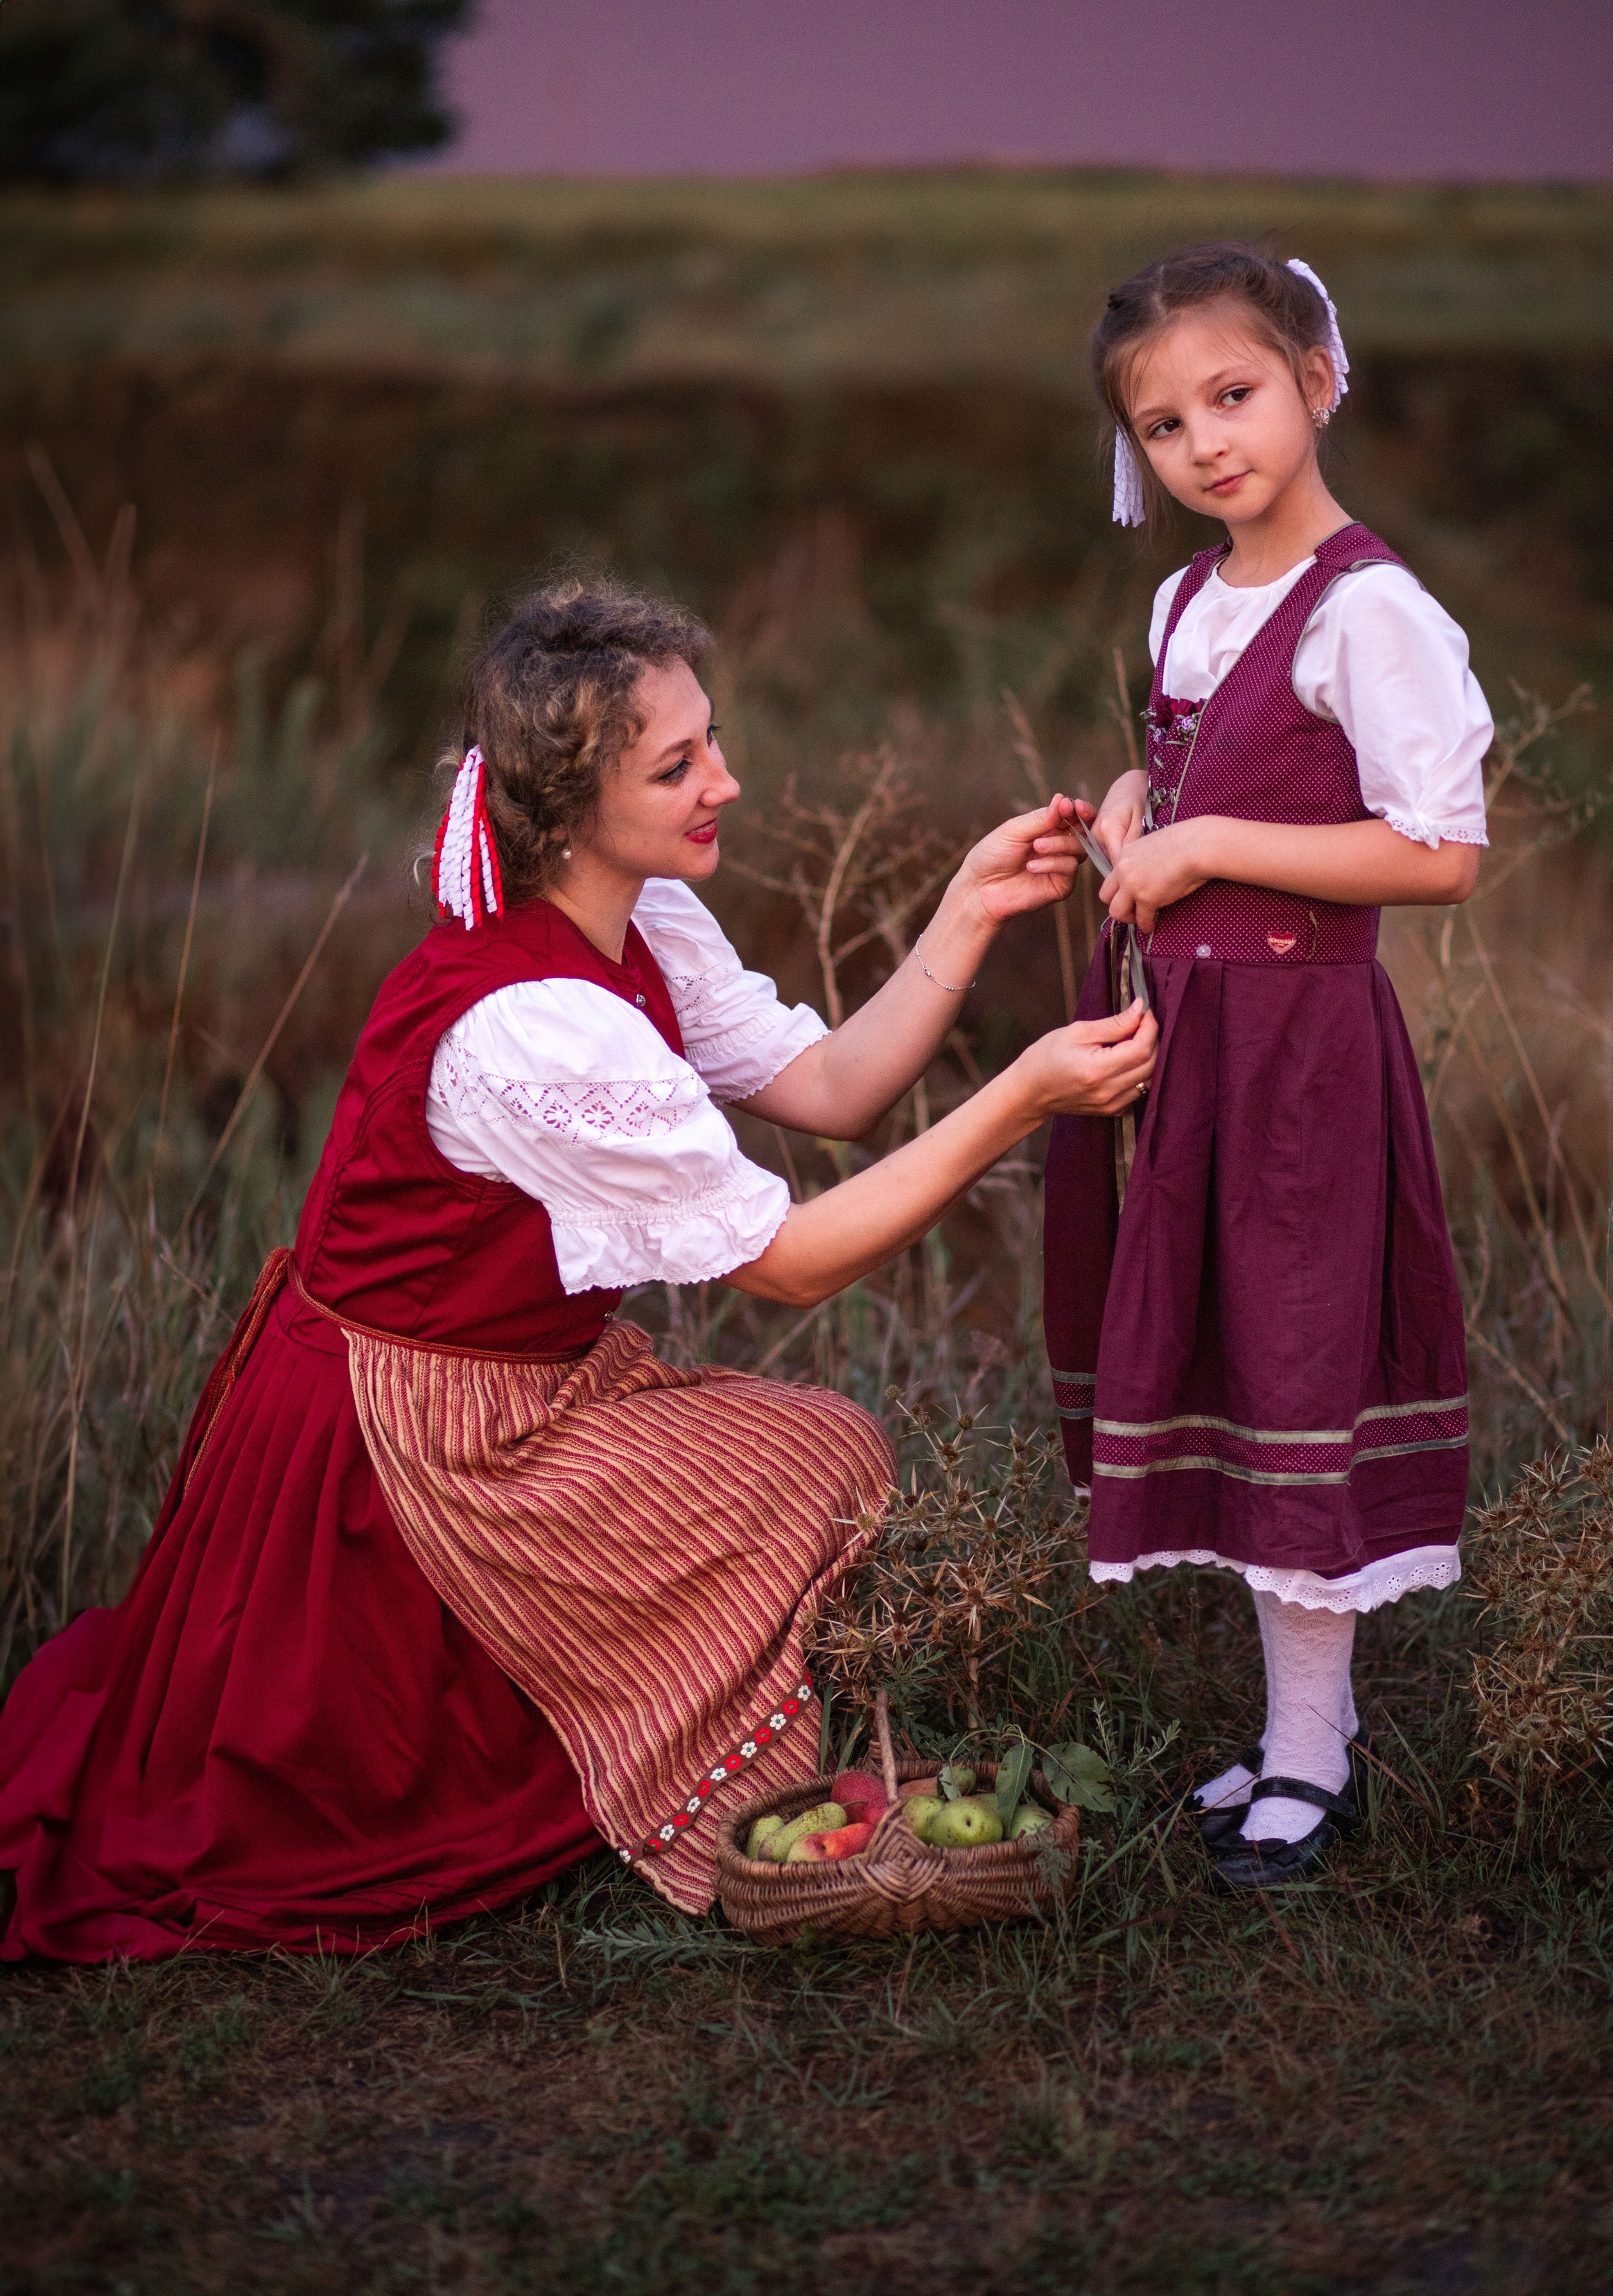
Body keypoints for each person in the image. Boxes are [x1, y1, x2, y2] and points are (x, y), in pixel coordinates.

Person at [0, 577, 1156, 1961]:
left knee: (830, 1453)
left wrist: (968, 909)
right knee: (815, 1465)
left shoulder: (637, 915)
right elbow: (790, 1267)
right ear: (562, 811)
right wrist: (1024, 1097)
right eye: (676, 766)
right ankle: (636, 1766)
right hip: (406, 1441)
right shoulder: (532, 1027)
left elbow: (829, 1087)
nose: (724, 780)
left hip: (528, 1382)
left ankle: (633, 1725)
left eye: (711, 738)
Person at [1040, 245, 1490, 1889]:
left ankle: (1311, 1755)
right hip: (1190, 1044)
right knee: (1235, 1361)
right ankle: (1300, 1726)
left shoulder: (1372, 610)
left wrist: (1212, 840)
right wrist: (1131, 807)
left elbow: (1438, 851)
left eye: (1230, 395)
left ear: (1313, 377)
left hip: (1299, 1057)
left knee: (1296, 1366)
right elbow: (1195, 776)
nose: (1202, 444)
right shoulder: (1179, 602)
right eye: (1161, 425)